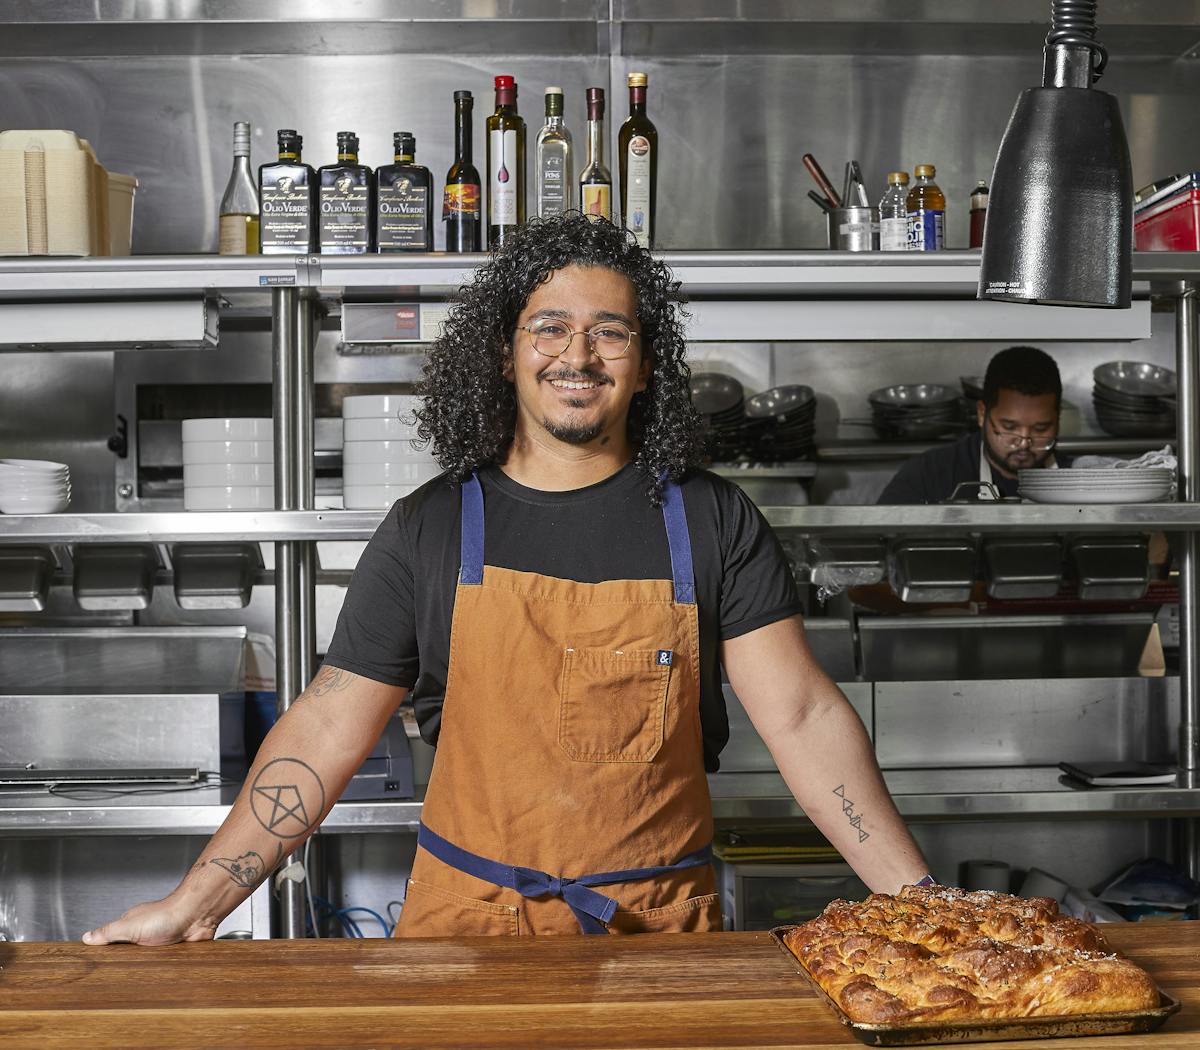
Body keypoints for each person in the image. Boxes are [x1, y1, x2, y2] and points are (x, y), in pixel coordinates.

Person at [83, 213, 930, 944]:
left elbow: (805, 717)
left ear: (644, 361)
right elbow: (325, 727)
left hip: (656, 936)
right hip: (469, 932)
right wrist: (198, 904)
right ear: (506, 351)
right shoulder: (432, 524)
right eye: (549, 327)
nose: (579, 354)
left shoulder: (711, 518)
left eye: (610, 331)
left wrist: (920, 903)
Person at [878, 346, 1070, 504]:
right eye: (1009, 427)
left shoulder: (1076, 477)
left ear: (1058, 418)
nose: (1024, 443)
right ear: (982, 414)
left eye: (1040, 429)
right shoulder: (929, 475)